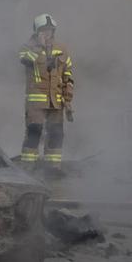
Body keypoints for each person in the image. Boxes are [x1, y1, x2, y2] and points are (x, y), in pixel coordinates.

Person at [19, 13, 75, 173]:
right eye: (43, 30)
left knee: (56, 134)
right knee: (34, 132)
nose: (47, 33)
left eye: (50, 30)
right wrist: (40, 46)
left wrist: (68, 100)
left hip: (56, 102)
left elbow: (68, 75)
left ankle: (53, 168)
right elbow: (25, 59)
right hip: (36, 103)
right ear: (37, 31)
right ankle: (28, 169)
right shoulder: (27, 47)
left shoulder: (62, 49)